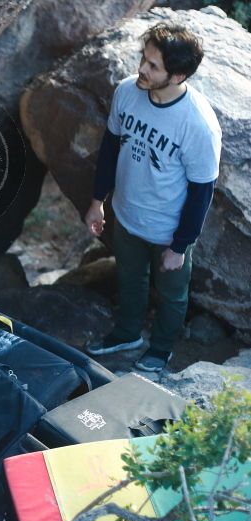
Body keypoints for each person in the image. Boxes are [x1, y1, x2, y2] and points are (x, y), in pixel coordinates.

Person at [84, 23, 221, 372]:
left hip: (169, 230)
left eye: (153, 66)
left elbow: (201, 191)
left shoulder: (198, 125)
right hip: (127, 216)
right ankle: (128, 332)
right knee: (129, 278)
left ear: (177, 76)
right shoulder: (127, 92)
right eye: (143, 59)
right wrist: (97, 201)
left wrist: (179, 246)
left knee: (173, 295)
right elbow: (110, 148)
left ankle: (161, 349)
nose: (141, 69)